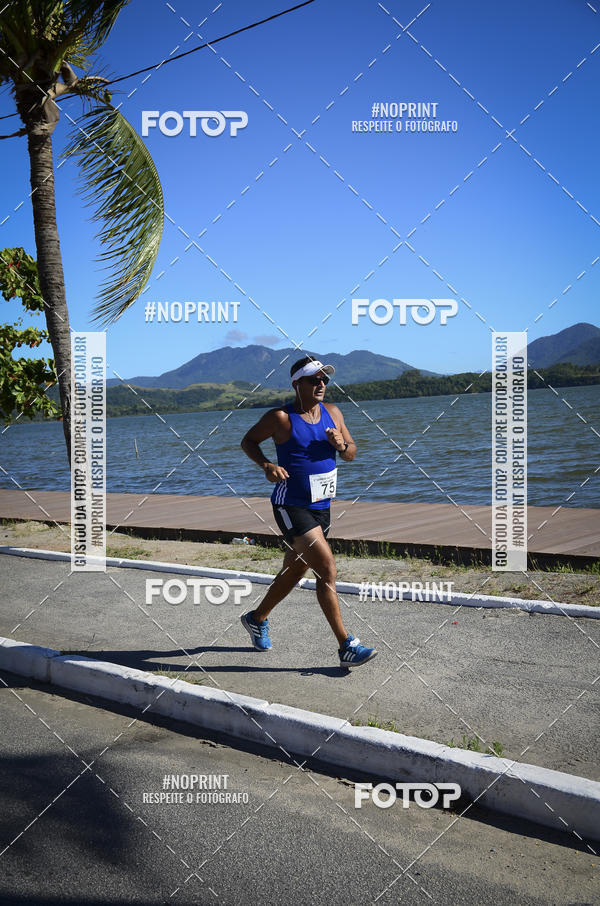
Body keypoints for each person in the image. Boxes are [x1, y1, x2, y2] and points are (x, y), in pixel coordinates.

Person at [240, 355, 377, 668]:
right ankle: (346, 646)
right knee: (326, 569)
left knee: (295, 570)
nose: (321, 384)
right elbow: (248, 441)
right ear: (297, 384)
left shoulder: (333, 413)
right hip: (291, 504)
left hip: (322, 506)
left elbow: (352, 453)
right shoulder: (281, 418)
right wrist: (267, 465)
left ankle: (256, 618)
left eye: (324, 379)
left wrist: (342, 445)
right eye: (314, 379)